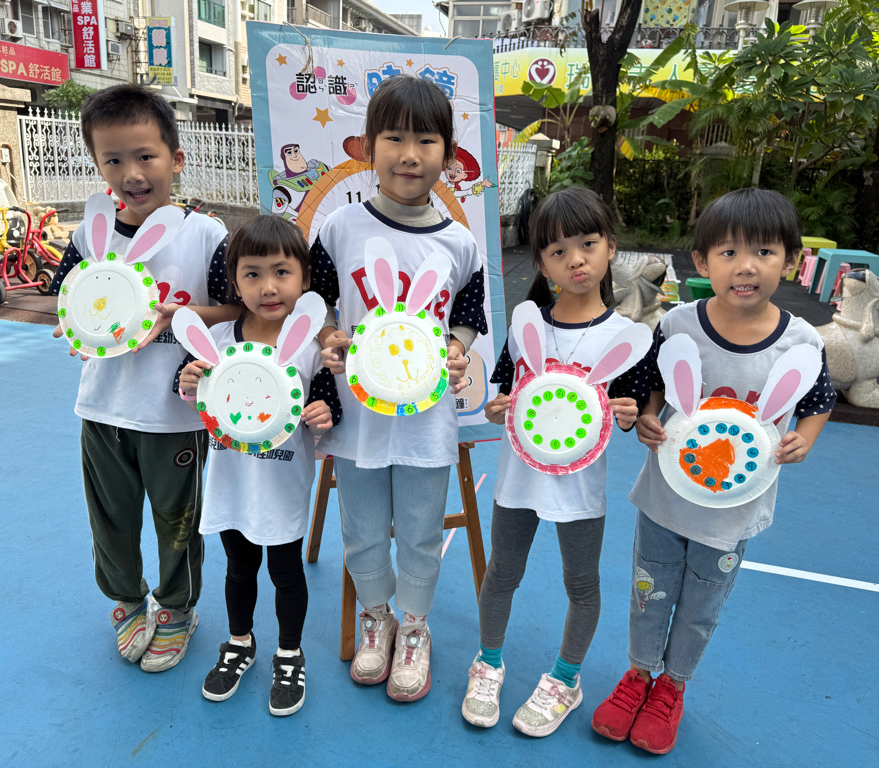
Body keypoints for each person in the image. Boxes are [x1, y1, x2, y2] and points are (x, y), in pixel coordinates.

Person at [590, 188, 836, 754]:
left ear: (791, 261)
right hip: (664, 499)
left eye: (764, 252)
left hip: (733, 511)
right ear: (701, 261)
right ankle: (639, 675)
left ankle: (672, 687)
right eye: (728, 252)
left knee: (702, 606)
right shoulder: (679, 325)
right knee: (649, 592)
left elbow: (818, 401)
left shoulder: (801, 341)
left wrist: (806, 438)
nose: (745, 266)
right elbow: (650, 386)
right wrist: (648, 416)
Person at [311, 75, 488, 702]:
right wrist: (327, 334)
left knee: (419, 530)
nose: (409, 155)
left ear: (449, 153)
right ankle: (376, 617)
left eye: (426, 141)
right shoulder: (340, 228)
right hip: (356, 418)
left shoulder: (459, 242)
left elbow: (469, 313)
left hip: (426, 421)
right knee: (361, 528)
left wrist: (458, 349)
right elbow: (315, 299)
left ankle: (414, 627)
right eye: (394, 139)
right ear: (367, 147)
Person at [49, 84, 237, 672]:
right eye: (113, 159)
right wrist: (72, 326)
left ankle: (177, 608)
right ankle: (127, 600)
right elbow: (67, 301)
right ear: (97, 164)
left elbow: (237, 309)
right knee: (110, 517)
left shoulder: (204, 235)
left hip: (173, 414)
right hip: (102, 407)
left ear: (176, 159)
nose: (131, 173)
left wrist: (178, 316)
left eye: (145, 156)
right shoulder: (88, 236)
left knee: (177, 519)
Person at [460, 187, 642, 737]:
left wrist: (629, 414)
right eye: (558, 251)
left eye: (588, 244)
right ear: (541, 262)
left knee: (581, 583)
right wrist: (495, 408)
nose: (575, 260)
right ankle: (488, 662)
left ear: (611, 246)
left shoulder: (627, 339)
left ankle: (566, 678)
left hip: (580, 489)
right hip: (517, 481)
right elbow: (500, 396)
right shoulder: (527, 326)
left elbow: (629, 414)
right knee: (502, 573)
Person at [176, 214, 341, 716]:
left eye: (281, 272)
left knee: (286, 573)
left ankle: (289, 653)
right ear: (234, 280)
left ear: (305, 278)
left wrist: (323, 412)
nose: (268, 287)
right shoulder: (217, 340)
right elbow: (189, 391)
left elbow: (330, 404)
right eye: (252, 274)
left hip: (283, 485)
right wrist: (188, 383)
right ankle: (239, 642)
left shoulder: (312, 347)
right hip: (230, 484)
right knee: (238, 568)